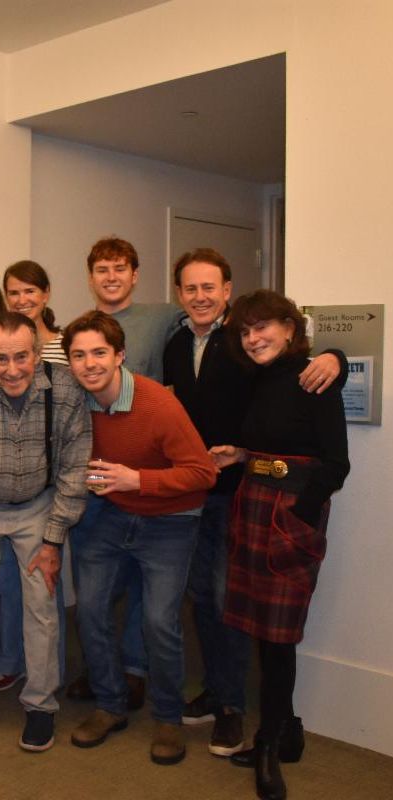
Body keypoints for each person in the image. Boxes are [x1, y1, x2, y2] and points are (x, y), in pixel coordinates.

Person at [163, 249, 345, 758]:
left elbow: (331, 452)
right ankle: (230, 697)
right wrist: (240, 453)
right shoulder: (181, 346)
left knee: (244, 612)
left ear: (227, 290)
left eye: (209, 287)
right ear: (179, 294)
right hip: (209, 495)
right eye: (190, 288)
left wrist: (336, 357)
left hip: (257, 504)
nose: (200, 296)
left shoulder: (261, 357)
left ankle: (237, 711)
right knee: (209, 599)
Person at [209, 290, 349, 800]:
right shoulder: (259, 379)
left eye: (262, 327)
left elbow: (336, 465)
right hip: (252, 504)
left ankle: (269, 742)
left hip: (289, 516)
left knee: (279, 638)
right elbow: (276, 443)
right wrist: (241, 455)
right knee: (261, 633)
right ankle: (287, 730)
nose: (253, 338)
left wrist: (300, 516)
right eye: (245, 331)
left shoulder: (315, 377)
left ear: (290, 328)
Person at [62, 311, 216, 765]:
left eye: (99, 352)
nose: (89, 364)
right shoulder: (78, 402)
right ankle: (110, 704)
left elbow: (203, 474)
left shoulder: (157, 404)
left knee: (158, 620)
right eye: (78, 355)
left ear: (120, 355)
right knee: (89, 608)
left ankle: (168, 717)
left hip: (172, 519)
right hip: (117, 512)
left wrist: (138, 480)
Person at [0, 311, 91, 752]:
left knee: (42, 602)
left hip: (38, 504)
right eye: (1, 359)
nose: (12, 370)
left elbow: (74, 470)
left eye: (22, 357)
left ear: (37, 354)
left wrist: (53, 539)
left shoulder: (65, 391)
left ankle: (41, 703)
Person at [0, 261, 72, 692]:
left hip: (48, 483)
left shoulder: (64, 345)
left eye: (30, 291)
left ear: (46, 294)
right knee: (7, 585)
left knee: (45, 584)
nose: (21, 299)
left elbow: (72, 406)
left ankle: (48, 671)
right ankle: (11, 660)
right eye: (13, 292)